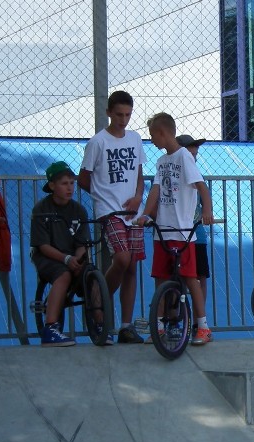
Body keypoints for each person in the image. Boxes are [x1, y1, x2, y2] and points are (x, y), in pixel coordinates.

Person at [135, 113, 214, 345]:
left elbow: (202, 188)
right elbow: (156, 191)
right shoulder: (161, 162)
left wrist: (207, 210)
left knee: (191, 278)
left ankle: (203, 327)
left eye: (152, 136)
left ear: (162, 133)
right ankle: (158, 327)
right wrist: (146, 215)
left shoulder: (184, 157)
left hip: (182, 231)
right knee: (160, 278)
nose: (152, 141)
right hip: (163, 232)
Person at [78, 90, 146, 344]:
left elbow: (139, 173)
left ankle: (126, 326)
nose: (123, 119)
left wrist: (138, 197)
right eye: (118, 114)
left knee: (131, 267)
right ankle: (100, 302)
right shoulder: (98, 142)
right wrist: (102, 196)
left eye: (128, 115)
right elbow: (84, 178)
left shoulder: (135, 139)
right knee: (121, 257)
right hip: (109, 210)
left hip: (132, 211)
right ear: (108, 113)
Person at [30, 162, 92, 347]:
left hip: (73, 256)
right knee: (63, 274)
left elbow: (82, 243)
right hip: (48, 256)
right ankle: (50, 329)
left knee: (92, 275)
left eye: (72, 183)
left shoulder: (79, 210)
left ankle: (99, 325)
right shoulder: (40, 209)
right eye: (64, 183)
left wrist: (79, 259)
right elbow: (42, 246)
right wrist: (66, 259)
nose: (70, 188)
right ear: (52, 186)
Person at [176, 134, 211, 316]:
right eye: (191, 156)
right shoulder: (172, 174)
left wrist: (207, 213)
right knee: (174, 276)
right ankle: (171, 318)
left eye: (195, 156)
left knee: (201, 276)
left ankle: (200, 319)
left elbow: (205, 202)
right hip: (176, 233)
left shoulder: (198, 177)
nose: (194, 160)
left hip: (196, 234)